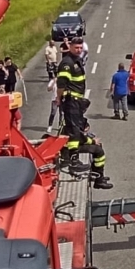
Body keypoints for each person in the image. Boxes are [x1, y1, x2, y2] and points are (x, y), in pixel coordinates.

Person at [55, 36, 91, 174]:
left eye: (81, 47)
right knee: (74, 130)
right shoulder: (67, 63)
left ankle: (65, 156)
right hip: (71, 101)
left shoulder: (77, 60)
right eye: (76, 47)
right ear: (70, 47)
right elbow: (61, 84)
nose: (79, 50)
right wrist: (59, 99)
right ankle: (74, 161)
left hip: (77, 102)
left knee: (72, 128)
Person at [76, 121, 113, 190]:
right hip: (72, 146)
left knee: (98, 147)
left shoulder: (73, 118)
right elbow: (79, 137)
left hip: (74, 142)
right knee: (98, 151)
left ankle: (96, 175)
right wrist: (93, 141)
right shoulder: (73, 119)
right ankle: (99, 181)